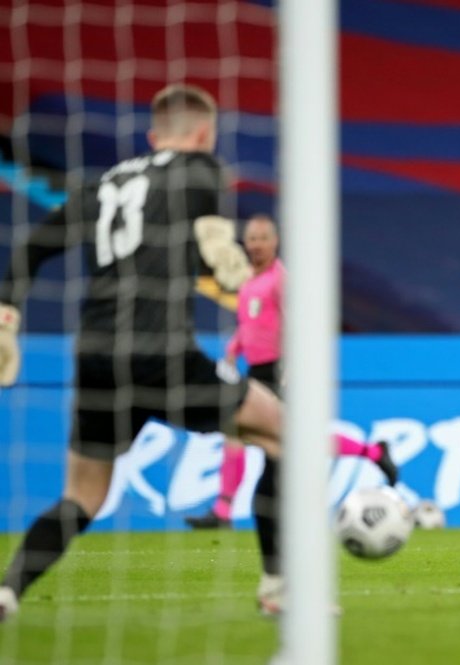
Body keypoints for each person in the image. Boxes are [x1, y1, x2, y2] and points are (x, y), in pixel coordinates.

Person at [0, 84, 287, 619]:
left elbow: (32, 247)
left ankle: (8, 590)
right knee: (284, 435)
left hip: (95, 355)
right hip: (162, 350)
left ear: (153, 136)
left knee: (82, 496)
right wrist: (222, 252)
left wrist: (7, 313)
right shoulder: (201, 170)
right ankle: (278, 585)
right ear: (203, 133)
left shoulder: (102, 185)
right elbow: (211, 235)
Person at [184, 214, 397, 529]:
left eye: (262, 238)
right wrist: (232, 351)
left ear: (275, 242)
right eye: (252, 239)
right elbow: (251, 325)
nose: (255, 245)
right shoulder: (249, 282)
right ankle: (223, 512)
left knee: (295, 440)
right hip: (255, 370)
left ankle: (372, 452)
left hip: (279, 370)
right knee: (234, 433)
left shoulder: (281, 279)